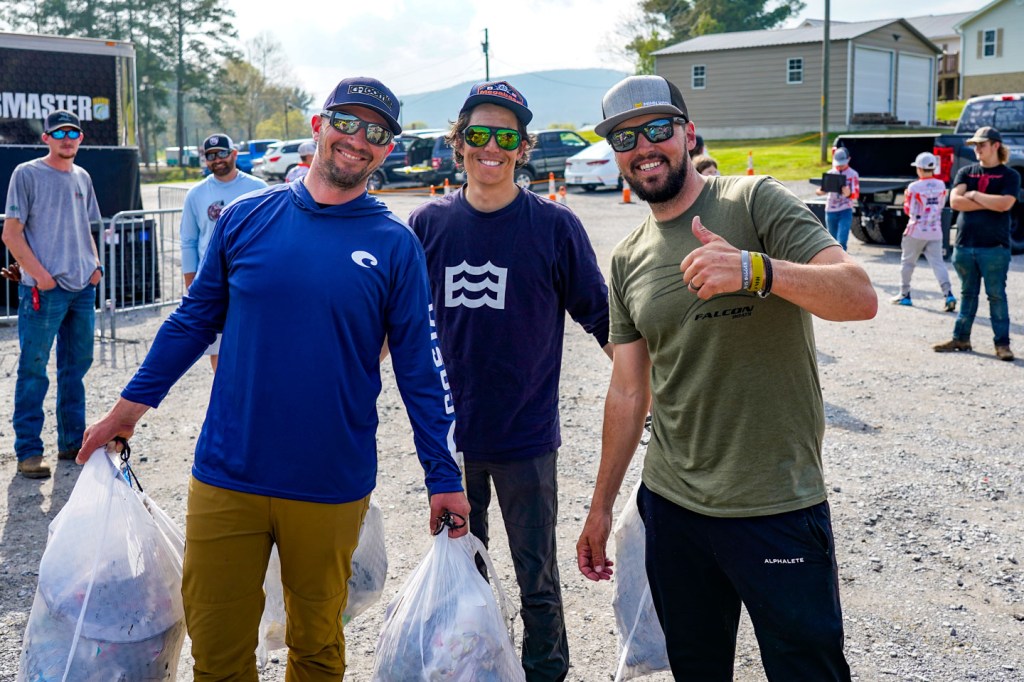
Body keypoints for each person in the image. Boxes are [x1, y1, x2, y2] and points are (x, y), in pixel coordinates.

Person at [77, 76, 470, 680]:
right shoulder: (245, 218)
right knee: (216, 651)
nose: (357, 139)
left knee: (316, 646)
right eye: (346, 121)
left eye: (375, 132)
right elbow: (192, 322)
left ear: (387, 149)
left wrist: (443, 478)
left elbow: (421, 368)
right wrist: (125, 413)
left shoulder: (394, 245)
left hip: (329, 481)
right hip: (228, 473)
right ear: (319, 125)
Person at [575, 75, 877, 681]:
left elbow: (859, 296)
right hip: (673, 509)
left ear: (688, 133)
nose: (643, 147)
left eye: (657, 129)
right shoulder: (628, 256)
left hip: (775, 503)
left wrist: (754, 270)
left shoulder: (753, 201)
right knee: (696, 668)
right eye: (625, 138)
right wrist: (601, 506)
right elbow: (629, 391)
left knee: (808, 671)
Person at [409, 80, 611, 682]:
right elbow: (392, 327)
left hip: (526, 438)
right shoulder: (427, 224)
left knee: (536, 576)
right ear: (459, 143)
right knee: (461, 574)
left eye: (505, 136)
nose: (490, 146)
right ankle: (473, 669)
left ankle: (545, 672)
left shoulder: (554, 226)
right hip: (451, 444)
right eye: (478, 134)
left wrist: (660, 391)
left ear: (523, 147)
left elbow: (604, 321)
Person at [2, 109, 103, 479]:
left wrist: (95, 267)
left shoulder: (82, 176)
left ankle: (72, 443)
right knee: (34, 370)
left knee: (75, 369)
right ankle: (29, 451)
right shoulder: (27, 173)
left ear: (81, 138)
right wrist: (41, 276)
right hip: (45, 292)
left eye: (73, 132)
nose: (67, 138)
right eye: (59, 133)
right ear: (45, 137)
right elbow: (11, 233)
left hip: (82, 289)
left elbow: (86, 227)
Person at [934, 126, 1020, 361]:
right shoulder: (966, 172)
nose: (977, 149)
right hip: (964, 245)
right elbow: (955, 202)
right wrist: (988, 202)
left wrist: (973, 195)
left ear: (995, 145)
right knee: (967, 294)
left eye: (982, 144)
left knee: (996, 296)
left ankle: (1002, 345)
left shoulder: (1010, 175)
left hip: (995, 248)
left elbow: (1005, 204)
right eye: (975, 145)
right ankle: (961, 338)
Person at [181, 133, 266, 370]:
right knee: (219, 349)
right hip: (213, 284)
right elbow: (189, 241)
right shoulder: (196, 194)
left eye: (222, 153)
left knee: (254, 344)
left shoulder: (259, 188)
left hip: (252, 280)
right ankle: (225, 393)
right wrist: (191, 285)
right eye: (210, 156)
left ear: (234, 154)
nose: (217, 159)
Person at [892, 152, 956, 310]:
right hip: (935, 230)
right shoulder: (941, 185)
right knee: (938, 264)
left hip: (916, 230)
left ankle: (905, 294)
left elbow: (909, 210)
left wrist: (906, 198)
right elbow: (941, 205)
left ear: (919, 169)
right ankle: (948, 294)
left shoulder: (914, 187)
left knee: (907, 262)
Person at [816, 146, 860, 250]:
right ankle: (833, 259)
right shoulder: (830, 173)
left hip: (845, 209)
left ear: (848, 159)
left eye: (842, 164)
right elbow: (819, 191)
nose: (840, 167)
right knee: (831, 240)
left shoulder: (853, 174)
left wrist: (849, 194)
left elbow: (856, 194)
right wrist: (821, 191)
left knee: (842, 240)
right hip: (831, 210)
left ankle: (842, 258)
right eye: (838, 164)